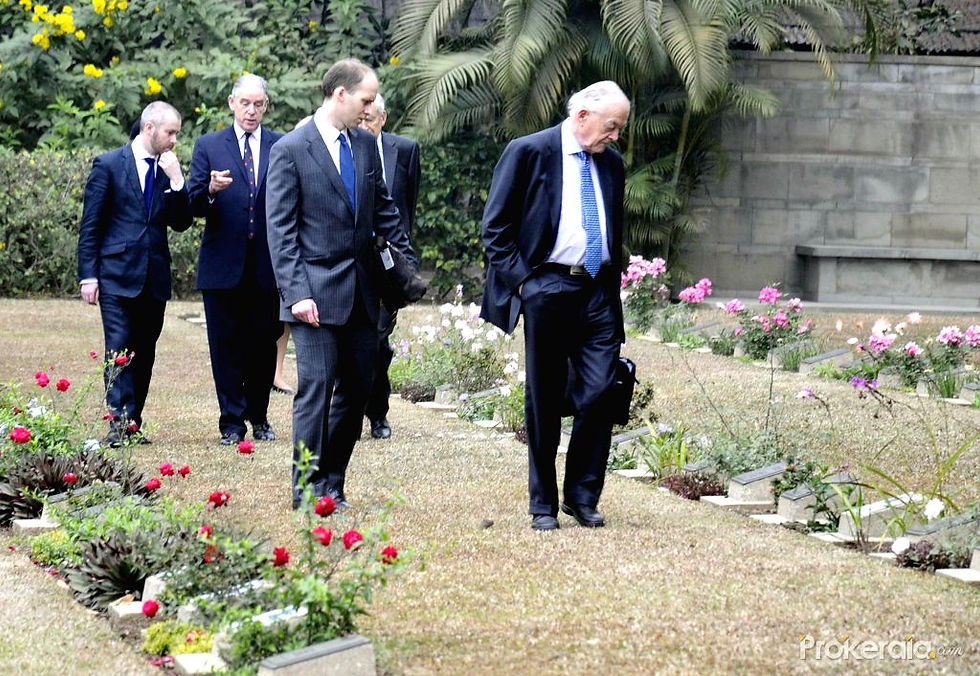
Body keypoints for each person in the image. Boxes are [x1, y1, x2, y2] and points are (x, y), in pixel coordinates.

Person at [266, 59, 417, 509]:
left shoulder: (365, 146)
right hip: (312, 294)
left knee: (356, 389)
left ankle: (332, 483)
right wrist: (296, 294)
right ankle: (305, 488)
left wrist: (405, 266)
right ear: (341, 95)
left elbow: (385, 210)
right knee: (316, 388)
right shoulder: (291, 149)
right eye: (366, 100)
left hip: (362, 294)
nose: (370, 109)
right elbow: (281, 231)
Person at [480, 81, 630, 531]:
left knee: (601, 392)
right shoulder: (529, 152)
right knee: (544, 398)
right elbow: (495, 229)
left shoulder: (612, 163)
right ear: (582, 116)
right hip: (547, 286)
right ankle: (543, 504)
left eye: (620, 128)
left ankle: (581, 497)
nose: (615, 136)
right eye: (611, 126)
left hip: (598, 291)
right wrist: (526, 285)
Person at [78, 101, 193, 445]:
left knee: (144, 351)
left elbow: (181, 222)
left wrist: (178, 181)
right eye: (170, 132)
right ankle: (117, 422)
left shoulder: (168, 169)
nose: (174, 140)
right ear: (149, 128)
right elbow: (91, 225)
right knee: (119, 345)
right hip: (115, 274)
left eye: (177, 133)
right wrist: (88, 275)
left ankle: (132, 423)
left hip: (154, 276)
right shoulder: (110, 165)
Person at [189, 74, 284, 446]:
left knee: (263, 344)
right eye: (245, 103)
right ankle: (231, 422)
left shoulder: (280, 145)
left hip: (267, 266)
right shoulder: (209, 145)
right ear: (232, 103)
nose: (251, 111)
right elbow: (193, 204)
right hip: (222, 266)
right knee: (225, 346)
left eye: (258, 104)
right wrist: (211, 189)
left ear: (266, 106)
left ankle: (259, 416)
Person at [358, 93, 421, 440]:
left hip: (388, 261)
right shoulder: (348, 147)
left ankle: (377, 413)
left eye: (370, 119)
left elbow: (406, 209)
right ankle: (350, 410)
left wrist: (405, 262)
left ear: (383, 119)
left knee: (380, 342)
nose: (364, 125)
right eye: (359, 119)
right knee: (356, 342)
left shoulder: (406, 150)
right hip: (354, 258)